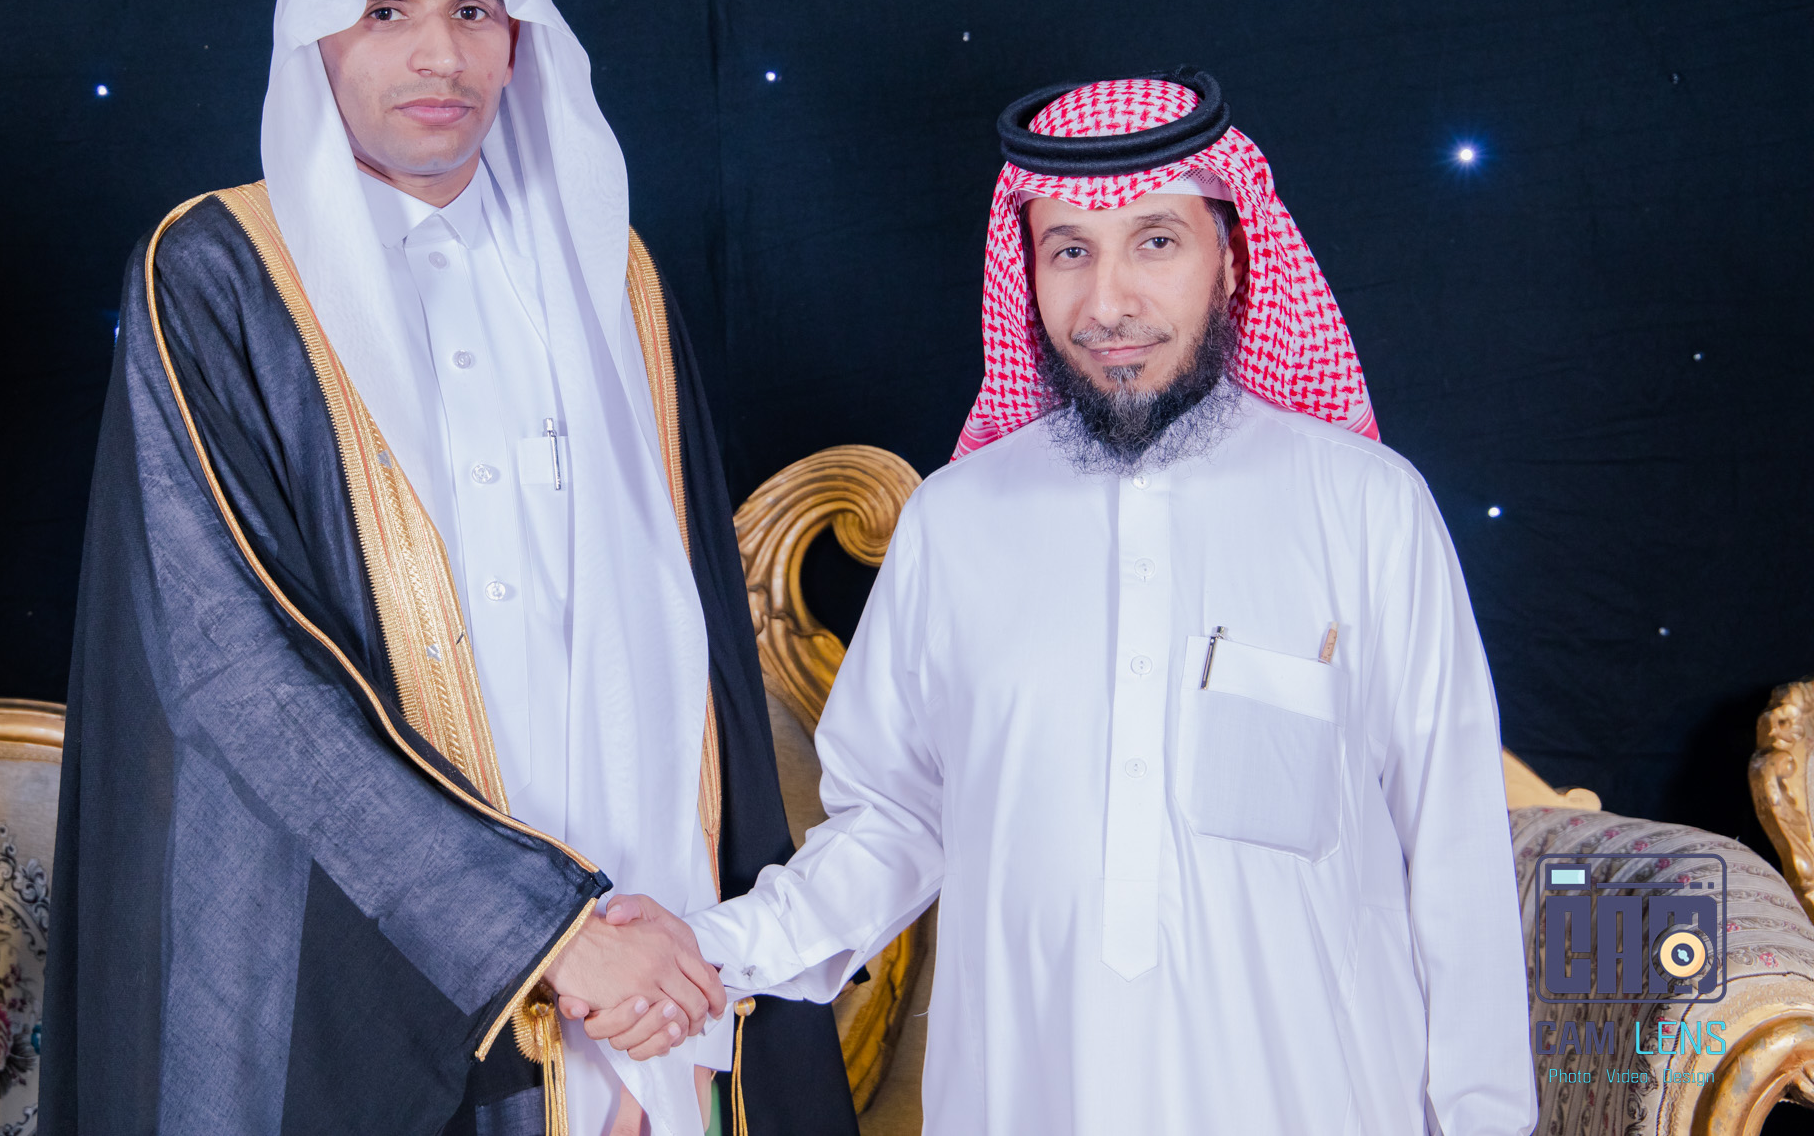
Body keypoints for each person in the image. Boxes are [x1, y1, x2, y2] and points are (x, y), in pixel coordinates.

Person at [40, 0, 857, 1136]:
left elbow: (675, 656)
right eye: (387, 9)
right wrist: (545, 934)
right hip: (372, 971)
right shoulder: (219, 274)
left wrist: (673, 988)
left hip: (647, 984)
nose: (441, 54)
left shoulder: (608, 270)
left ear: (518, 36)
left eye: (474, 9)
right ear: (315, 33)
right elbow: (230, 669)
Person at [581, 72, 1537, 1133]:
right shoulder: (956, 523)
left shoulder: (1365, 509)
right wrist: (710, 950)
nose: (1107, 303)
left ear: (1231, 258)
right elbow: (894, 824)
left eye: (1156, 242)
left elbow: (1453, 856)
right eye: (1070, 250)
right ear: (1025, 267)